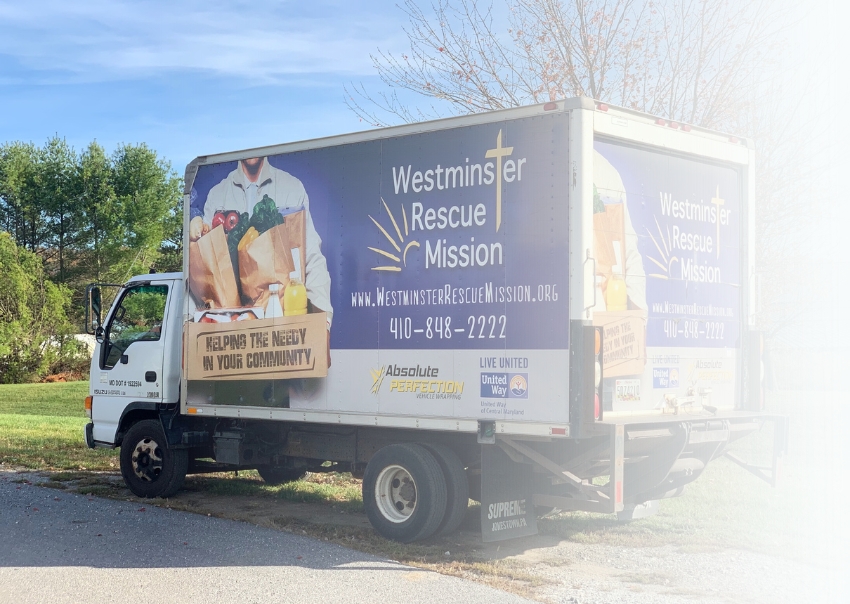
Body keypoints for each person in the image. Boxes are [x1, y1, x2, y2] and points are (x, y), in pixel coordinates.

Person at [194, 156, 334, 328]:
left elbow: (312, 257)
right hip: (230, 329)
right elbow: (203, 268)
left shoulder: (291, 187)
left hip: (282, 325)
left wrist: (324, 319)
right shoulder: (218, 195)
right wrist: (188, 325)